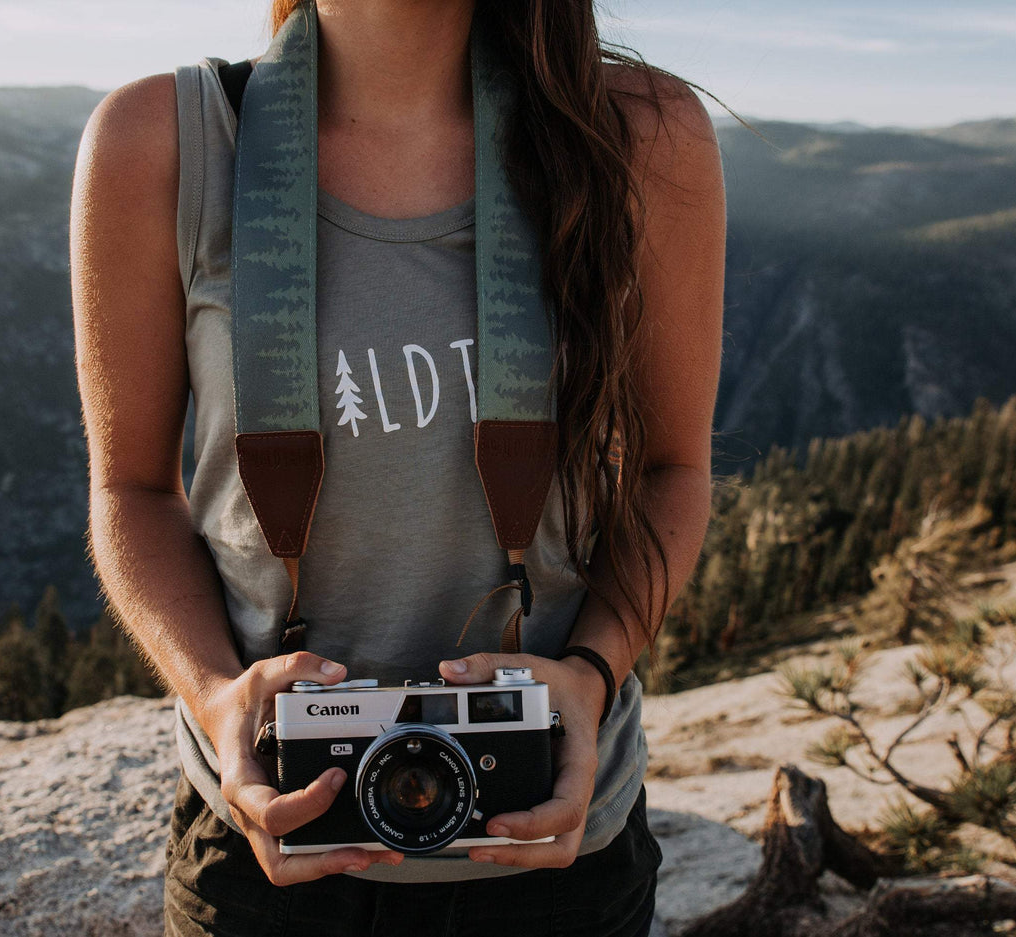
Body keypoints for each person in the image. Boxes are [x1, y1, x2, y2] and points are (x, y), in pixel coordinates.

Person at [70, 0, 725, 933]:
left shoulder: (637, 133)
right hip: (274, 849)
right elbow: (131, 489)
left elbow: (672, 469)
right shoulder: (166, 139)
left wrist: (589, 675)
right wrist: (217, 698)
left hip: (550, 844)